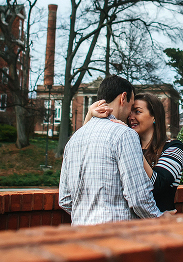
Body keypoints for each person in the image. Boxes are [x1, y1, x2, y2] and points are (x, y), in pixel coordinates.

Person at [58, 75, 163, 225]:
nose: (129, 114)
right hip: (116, 236)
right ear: (123, 98)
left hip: (80, 236)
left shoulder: (73, 140)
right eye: (131, 105)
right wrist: (160, 218)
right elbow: (138, 197)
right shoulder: (125, 134)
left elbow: (65, 199)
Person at [85, 92, 183, 212]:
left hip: (160, 224)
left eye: (137, 111)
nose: (131, 117)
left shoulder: (174, 148)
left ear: (154, 117)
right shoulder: (124, 146)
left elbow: (158, 184)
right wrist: (89, 115)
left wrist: (131, 143)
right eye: (130, 111)